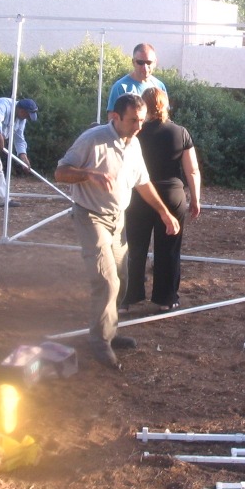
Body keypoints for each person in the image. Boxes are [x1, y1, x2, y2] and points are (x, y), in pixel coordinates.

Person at [55, 93, 180, 371]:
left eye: (142, 120)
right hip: (91, 216)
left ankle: (109, 332)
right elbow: (61, 172)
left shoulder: (133, 143)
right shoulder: (92, 139)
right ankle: (99, 342)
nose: (139, 126)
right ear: (116, 117)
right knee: (106, 280)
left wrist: (164, 212)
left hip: (118, 219)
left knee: (122, 278)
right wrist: (89, 174)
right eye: (133, 120)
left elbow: (143, 183)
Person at [121, 87, 201, 312]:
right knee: (169, 249)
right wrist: (195, 199)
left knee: (135, 247)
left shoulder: (134, 132)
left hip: (139, 194)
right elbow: (192, 170)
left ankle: (128, 298)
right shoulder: (180, 132)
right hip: (172, 195)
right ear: (166, 105)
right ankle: (166, 299)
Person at [106, 43, 167, 115]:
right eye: (140, 62)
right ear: (133, 62)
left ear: (155, 62)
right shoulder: (120, 87)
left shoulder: (159, 87)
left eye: (148, 62)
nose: (145, 67)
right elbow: (113, 118)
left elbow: (164, 116)